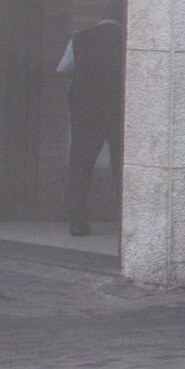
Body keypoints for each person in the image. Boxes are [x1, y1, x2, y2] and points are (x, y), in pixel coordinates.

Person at [60, 18, 124, 236]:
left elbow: (65, 67)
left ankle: (77, 220)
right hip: (118, 110)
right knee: (122, 166)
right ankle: (125, 218)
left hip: (86, 111)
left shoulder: (80, 39)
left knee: (80, 165)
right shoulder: (126, 39)